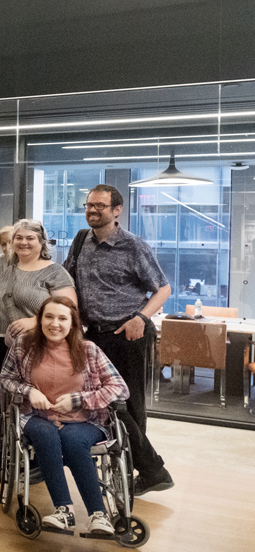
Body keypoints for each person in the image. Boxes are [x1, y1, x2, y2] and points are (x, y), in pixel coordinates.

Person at [63, 184, 174, 496]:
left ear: (116, 210)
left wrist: (140, 318)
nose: (92, 210)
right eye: (88, 205)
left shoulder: (133, 246)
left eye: (99, 205)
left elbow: (163, 288)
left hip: (127, 335)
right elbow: (66, 278)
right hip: (94, 335)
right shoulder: (81, 240)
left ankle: (144, 471)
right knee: (106, 406)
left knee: (127, 405)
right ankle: (148, 469)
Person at [0, 296, 129, 533]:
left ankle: (98, 515)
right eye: (48, 317)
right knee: (46, 435)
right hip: (37, 416)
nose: (54, 324)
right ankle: (64, 510)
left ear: (72, 324)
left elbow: (120, 388)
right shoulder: (23, 344)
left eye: (62, 318)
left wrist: (78, 400)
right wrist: (29, 391)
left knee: (73, 440)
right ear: (39, 320)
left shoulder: (89, 350)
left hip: (85, 420)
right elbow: (5, 380)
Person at [0, 219, 76, 469]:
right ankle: (4, 459)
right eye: (19, 238)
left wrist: (36, 320)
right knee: (1, 404)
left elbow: (69, 309)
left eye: (30, 238)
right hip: (0, 343)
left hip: (36, 347)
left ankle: (38, 462)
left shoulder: (54, 271)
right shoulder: (4, 266)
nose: (23, 242)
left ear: (41, 242)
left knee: (33, 405)